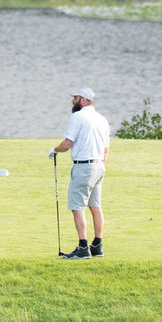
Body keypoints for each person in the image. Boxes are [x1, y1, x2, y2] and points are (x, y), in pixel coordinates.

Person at [48, 88, 110, 259]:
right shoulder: (102, 119)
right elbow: (105, 150)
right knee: (95, 206)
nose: (72, 101)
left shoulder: (78, 117)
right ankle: (97, 246)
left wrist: (54, 150)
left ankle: (83, 248)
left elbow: (67, 143)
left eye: (75, 98)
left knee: (77, 207)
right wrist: (99, 167)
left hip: (84, 167)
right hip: (99, 166)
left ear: (83, 100)